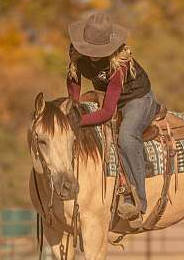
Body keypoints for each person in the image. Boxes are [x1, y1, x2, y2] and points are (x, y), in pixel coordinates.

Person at [66, 12, 157, 225]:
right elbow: (74, 87)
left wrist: (78, 121)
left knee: (126, 136)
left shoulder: (121, 63)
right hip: (106, 96)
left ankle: (137, 200)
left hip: (137, 99)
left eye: (98, 50)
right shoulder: (76, 55)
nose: (93, 55)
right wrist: (72, 110)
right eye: (90, 49)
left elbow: (107, 112)